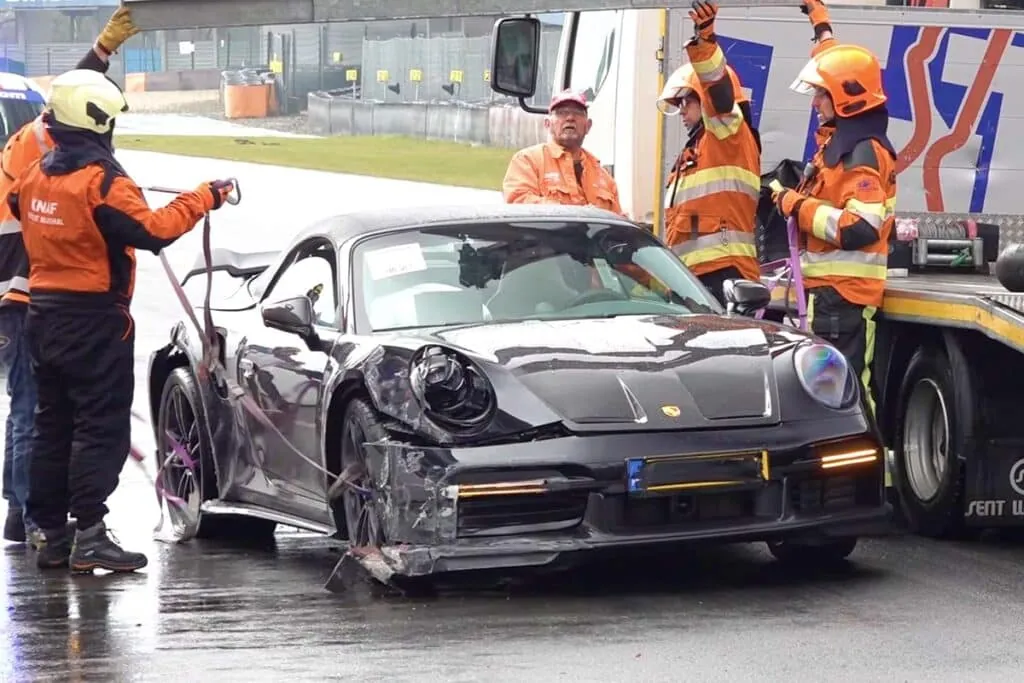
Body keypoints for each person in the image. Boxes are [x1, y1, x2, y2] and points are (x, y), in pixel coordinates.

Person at [7, 68, 236, 572]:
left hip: (43, 319)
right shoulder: (102, 182)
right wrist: (205, 196)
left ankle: (48, 533)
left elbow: (16, 204)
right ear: (99, 124)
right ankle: (89, 532)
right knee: (99, 429)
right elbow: (153, 230)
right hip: (93, 321)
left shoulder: (35, 173)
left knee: (52, 426)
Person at [1, 2, 140, 545]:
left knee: (34, 411)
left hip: (31, 298)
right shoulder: (38, 148)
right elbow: (72, 100)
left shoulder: (31, 151)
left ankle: (28, 513)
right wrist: (101, 52)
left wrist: (103, 50)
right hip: (27, 297)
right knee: (39, 413)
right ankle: (38, 520)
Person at [771, 0, 896, 414]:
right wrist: (820, 26)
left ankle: (865, 473)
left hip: (845, 300)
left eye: (821, 95)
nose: (814, 103)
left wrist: (796, 205)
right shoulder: (846, 140)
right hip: (832, 298)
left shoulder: (861, 153)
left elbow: (860, 227)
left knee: (848, 398)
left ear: (845, 98)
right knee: (829, 394)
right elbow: (837, 66)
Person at [656, 1, 762, 307]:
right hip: (696, 277)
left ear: (702, 101)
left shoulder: (727, 132)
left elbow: (718, 89)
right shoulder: (699, 147)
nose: (682, 114)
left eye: (685, 104)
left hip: (723, 273)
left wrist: (706, 39)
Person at [502, 88, 623, 214]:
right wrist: (574, 213)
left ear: (588, 126)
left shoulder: (603, 175)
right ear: (548, 124)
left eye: (577, 112)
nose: (570, 117)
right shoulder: (527, 161)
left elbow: (619, 223)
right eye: (561, 113)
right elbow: (518, 204)